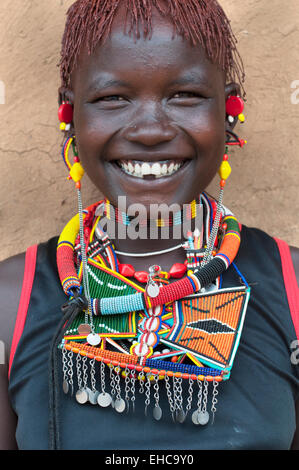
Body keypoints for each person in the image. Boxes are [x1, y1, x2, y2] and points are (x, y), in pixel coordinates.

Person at [0, 0, 299, 451]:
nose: (150, 130)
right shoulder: (9, 302)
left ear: (228, 109)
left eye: (185, 95)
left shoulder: (294, 290)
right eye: (112, 98)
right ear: (70, 116)